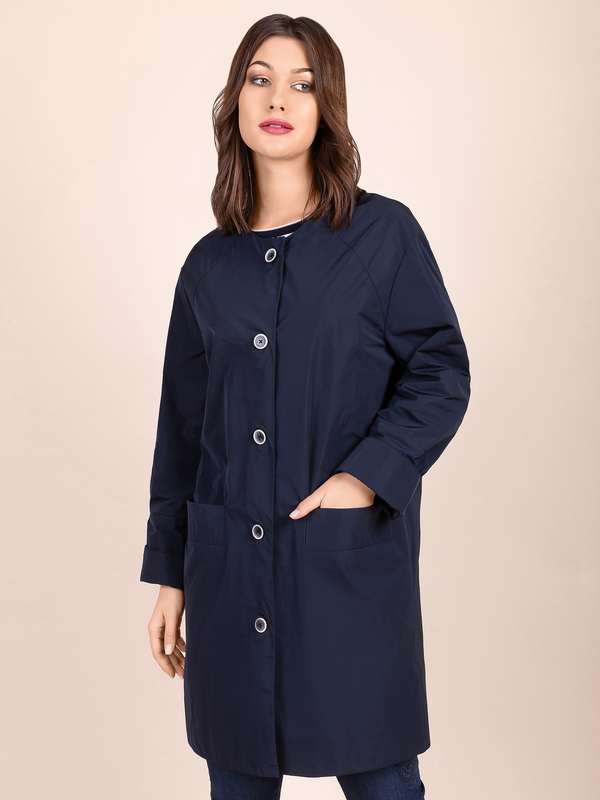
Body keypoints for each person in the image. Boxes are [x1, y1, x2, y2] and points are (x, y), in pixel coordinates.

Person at [140, 13, 470, 800]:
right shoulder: (207, 267)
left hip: (346, 574)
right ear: (236, 102)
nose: (278, 98)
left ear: (328, 107)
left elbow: (440, 370)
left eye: (303, 83)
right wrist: (171, 575)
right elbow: (182, 434)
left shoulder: (382, 234)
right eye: (260, 79)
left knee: (383, 779)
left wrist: (367, 476)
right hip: (227, 579)